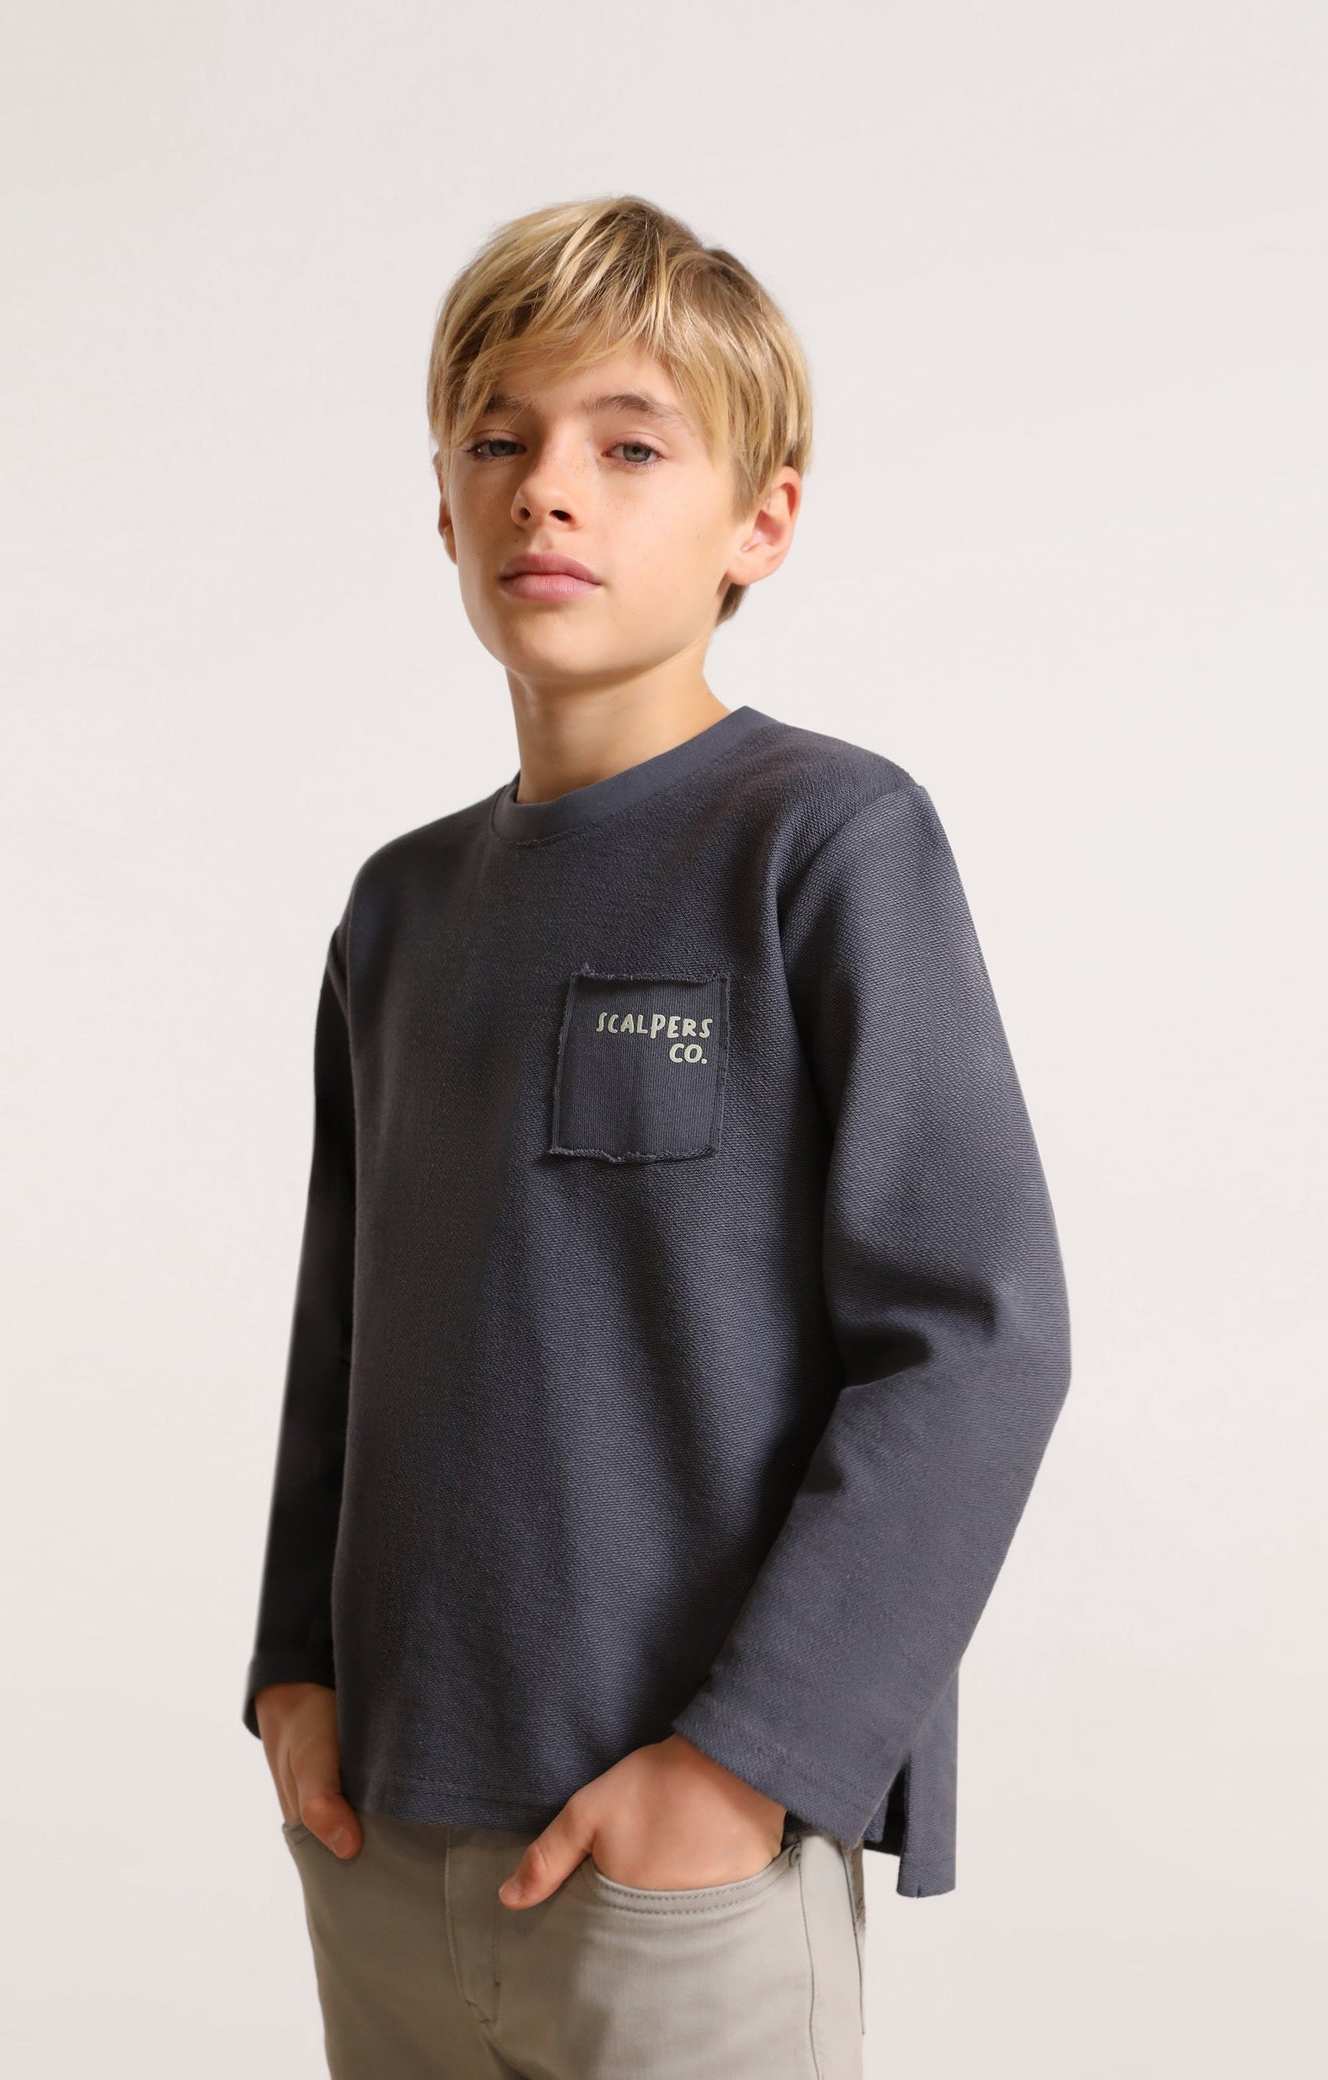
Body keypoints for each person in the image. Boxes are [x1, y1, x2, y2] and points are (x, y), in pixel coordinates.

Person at [241, 194, 1072, 2080]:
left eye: (630, 447)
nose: (548, 489)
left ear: (759, 521)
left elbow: (976, 1336)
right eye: (497, 440)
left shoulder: (825, 842)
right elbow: (341, 1336)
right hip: (381, 1839)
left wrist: (745, 1765)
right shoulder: (397, 909)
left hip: (680, 1860)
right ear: (441, 503)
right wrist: (294, 1672)